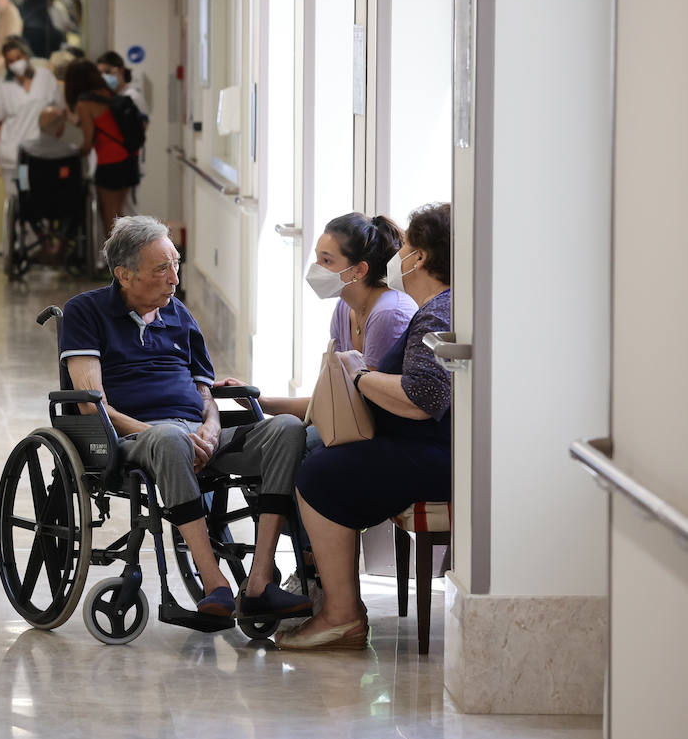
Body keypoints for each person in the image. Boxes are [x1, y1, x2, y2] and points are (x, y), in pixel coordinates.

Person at [61, 216, 313, 620]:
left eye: (175, 263)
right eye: (161, 268)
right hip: (132, 438)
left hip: (195, 433)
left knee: (286, 429)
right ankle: (215, 584)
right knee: (169, 439)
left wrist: (210, 429)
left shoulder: (178, 313)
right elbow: (93, 405)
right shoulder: (85, 312)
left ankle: (261, 581)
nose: (174, 278)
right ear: (124, 274)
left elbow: (205, 391)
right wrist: (164, 433)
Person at [275, 203, 454, 651]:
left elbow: (420, 401)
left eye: (407, 248)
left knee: (319, 473)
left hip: (436, 453)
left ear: (423, 258)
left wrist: (359, 374)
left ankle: (341, 614)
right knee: (317, 456)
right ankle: (326, 595)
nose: (399, 256)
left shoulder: (435, 312)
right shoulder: (437, 308)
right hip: (427, 445)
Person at [242, 213, 417, 432]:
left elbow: (365, 406)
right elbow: (334, 397)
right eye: (317, 258)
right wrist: (261, 402)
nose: (316, 268)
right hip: (358, 422)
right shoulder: (345, 307)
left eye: (326, 261)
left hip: (388, 429)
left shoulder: (388, 313)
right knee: (288, 434)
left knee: (298, 444)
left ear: (359, 270)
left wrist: (267, 405)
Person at [66, 59, 141, 240]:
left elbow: (88, 140)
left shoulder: (84, 103)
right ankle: (129, 259)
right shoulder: (109, 94)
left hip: (109, 163)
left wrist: (75, 153)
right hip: (129, 159)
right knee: (120, 214)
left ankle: (116, 264)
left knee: (109, 218)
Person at [0, 35, 63, 196]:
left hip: (41, 153)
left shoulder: (45, 78)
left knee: (41, 197)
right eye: (11, 61)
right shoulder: (4, 87)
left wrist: (58, 133)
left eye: (18, 58)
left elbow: (58, 110)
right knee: (21, 197)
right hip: (15, 155)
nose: (16, 64)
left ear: (26, 56)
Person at [95, 50, 150, 122]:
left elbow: (142, 126)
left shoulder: (133, 96)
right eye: (100, 74)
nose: (104, 77)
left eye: (107, 72)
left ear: (121, 71)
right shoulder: (108, 97)